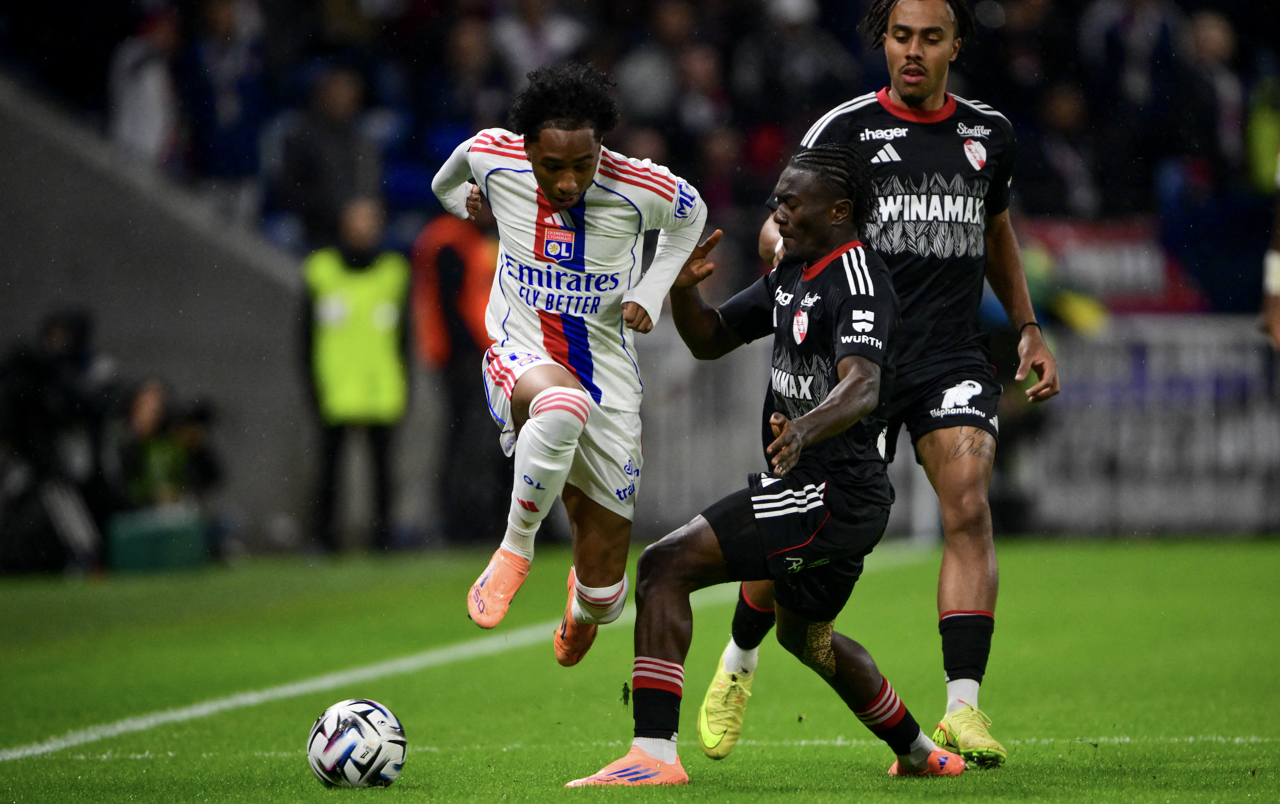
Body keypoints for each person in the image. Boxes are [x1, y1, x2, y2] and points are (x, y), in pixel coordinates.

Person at [694, 0, 1060, 770]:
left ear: (956, 44)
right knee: (795, 543)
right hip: (851, 362)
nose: (913, 51)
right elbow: (783, 215)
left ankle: (963, 708)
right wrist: (776, 244)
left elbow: (996, 228)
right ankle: (740, 657)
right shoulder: (845, 129)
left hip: (948, 356)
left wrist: (1027, 325)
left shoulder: (989, 134)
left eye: (930, 38)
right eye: (901, 37)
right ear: (883, 42)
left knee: (969, 501)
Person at [568, 144, 965, 786]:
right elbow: (711, 339)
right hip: (823, 492)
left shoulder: (858, 280)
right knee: (806, 638)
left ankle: (653, 755)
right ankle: (920, 753)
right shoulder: (793, 273)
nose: (777, 212)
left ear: (838, 211)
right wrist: (684, 292)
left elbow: (863, 384)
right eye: (777, 200)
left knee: (663, 566)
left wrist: (803, 428)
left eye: (790, 202)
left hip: (833, 493)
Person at [430, 62, 707, 665]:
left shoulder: (637, 186)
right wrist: (461, 204)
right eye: (552, 165)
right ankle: (514, 550)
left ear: (600, 146)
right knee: (561, 404)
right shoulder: (493, 156)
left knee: (607, 595)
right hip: (520, 351)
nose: (568, 181)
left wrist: (652, 288)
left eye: (582, 164)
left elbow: (693, 214)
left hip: (609, 378)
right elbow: (445, 180)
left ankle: (582, 610)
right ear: (527, 147)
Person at [302, 198, 410, 552]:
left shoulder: (394, 271)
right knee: (328, 469)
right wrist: (312, 386)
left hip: (381, 386)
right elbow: (304, 337)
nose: (363, 229)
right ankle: (322, 538)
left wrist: (405, 382)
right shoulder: (321, 270)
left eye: (370, 221)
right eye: (357, 221)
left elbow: (405, 338)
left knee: (383, 471)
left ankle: (383, 538)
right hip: (335, 386)